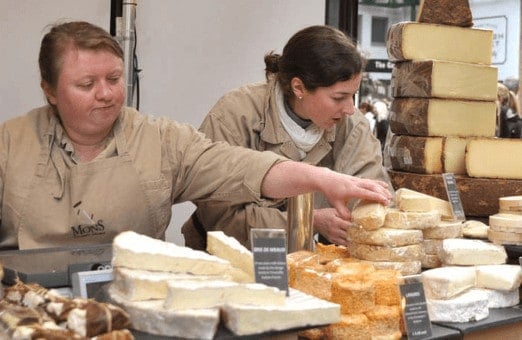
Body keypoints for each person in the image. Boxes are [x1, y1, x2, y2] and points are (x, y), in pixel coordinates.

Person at [0, 21, 392, 250]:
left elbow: (239, 168)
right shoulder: (9, 144)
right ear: (49, 90)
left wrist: (322, 179)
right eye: (87, 83)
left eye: (115, 79)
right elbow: (223, 216)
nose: (105, 93)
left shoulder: (162, 140)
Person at [182, 25, 393, 250]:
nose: (350, 109)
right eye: (339, 97)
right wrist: (308, 220)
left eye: (353, 95)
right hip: (226, 258)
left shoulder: (352, 126)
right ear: (299, 87)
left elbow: (376, 202)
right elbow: (220, 217)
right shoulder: (235, 115)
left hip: (304, 260)